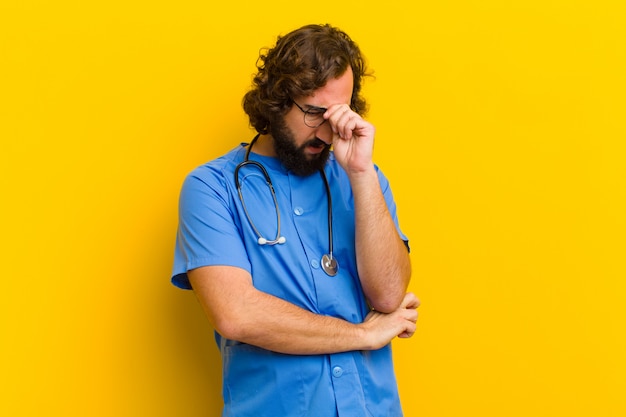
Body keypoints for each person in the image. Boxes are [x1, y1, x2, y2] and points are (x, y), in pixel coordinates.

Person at [171, 23, 420, 417]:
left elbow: (388, 295)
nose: (327, 130)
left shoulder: (365, 179)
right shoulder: (211, 188)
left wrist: (361, 174)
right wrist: (362, 334)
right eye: (314, 112)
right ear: (277, 100)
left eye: (338, 113)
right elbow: (237, 314)